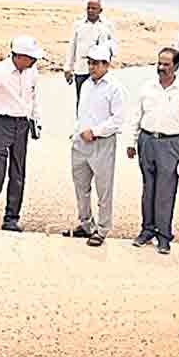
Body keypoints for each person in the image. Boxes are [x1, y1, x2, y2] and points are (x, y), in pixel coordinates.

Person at [124, 47, 179, 254]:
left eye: (166, 64)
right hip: (147, 141)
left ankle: (164, 236)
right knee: (148, 189)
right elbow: (135, 115)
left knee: (166, 191)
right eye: (159, 63)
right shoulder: (147, 87)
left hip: (171, 144)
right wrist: (131, 142)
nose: (161, 68)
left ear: (176, 66)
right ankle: (147, 230)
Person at [0, 36, 43, 232]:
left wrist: (36, 120)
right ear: (19, 56)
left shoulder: (32, 72)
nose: (34, 61)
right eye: (31, 58)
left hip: (22, 124)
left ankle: (11, 219)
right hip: (0, 123)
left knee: (18, 172)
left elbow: (33, 97)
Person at [64, 43, 126, 247]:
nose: (92, 67)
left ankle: (102, 228)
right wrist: (77, 131)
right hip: (80, 142)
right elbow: (82, 112)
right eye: (90, 63)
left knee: (103, 188)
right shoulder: (86, 84)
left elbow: (118, 120)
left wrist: (96, 132)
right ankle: (85, 224)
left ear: (106, 65)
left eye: (96, 64)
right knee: (81, 186)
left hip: (102, 143)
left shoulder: (115, 88)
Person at [64, 0, 116, 108]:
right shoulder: (78, 25)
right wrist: (68, 68)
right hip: (81, 69)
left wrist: (107, 64)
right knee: (82, 100)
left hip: (100, 70)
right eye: (88, 8)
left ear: (100, 10)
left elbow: (112, 48)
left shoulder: (107, 26)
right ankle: (81, 124)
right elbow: (72, 47)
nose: (91, 11)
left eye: (94, 8)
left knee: (99, 100)